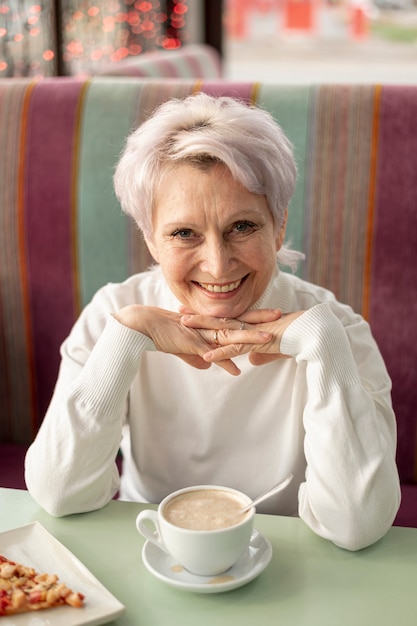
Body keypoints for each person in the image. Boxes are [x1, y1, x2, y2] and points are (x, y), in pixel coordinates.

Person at [25, 92, 400, 551]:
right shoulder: (113, 318)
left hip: (289, 565)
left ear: (279, 224)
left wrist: (323, 344)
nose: (218, 266)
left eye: (242, 227)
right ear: (150, 238)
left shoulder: (337, 331)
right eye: (184, 233)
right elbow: (59, 494)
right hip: (151, 555)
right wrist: (126, 341)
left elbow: (358, 525)